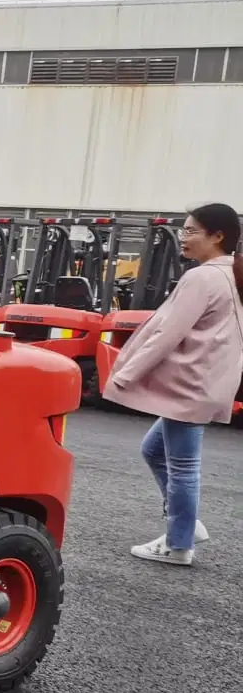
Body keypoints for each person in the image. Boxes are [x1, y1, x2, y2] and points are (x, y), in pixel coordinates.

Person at [103, 202, 243, 565]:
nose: (184, 237)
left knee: (183, 466)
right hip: (204, 381)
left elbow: (167, 333)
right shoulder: (231, 274)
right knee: (154, 450)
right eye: (183, 230)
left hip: (189, 385)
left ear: (217, 236)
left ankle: (179, 543)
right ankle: (187, 524)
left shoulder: (203, 278)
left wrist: (125, 375)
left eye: (191, 230)